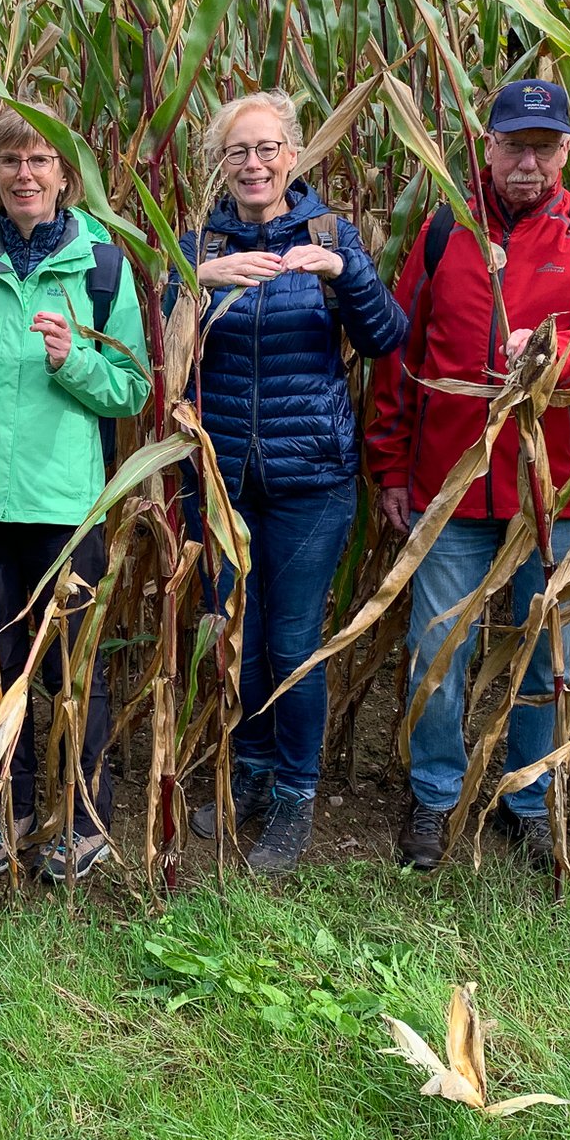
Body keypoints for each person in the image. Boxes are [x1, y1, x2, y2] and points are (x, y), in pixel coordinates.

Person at [366, 80, 570, 872]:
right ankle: (434, 794)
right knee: (438, 649)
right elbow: (402, 353)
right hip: (450, 484)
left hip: (555, 489)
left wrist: (558, 353)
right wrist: (390, 465)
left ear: (567, 152)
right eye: (514, 145)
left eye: (543, 148)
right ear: (488, 146)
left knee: (545, 652)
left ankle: (527, 798)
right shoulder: (444, 230)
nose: (528, 162)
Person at [176, 91, 407, 874]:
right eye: (238, 151)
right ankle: (250, 767)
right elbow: (157, 351)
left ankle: (295, 794)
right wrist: (195, 278)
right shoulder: (199, 243)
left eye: (267, 149)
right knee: (235, 635)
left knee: (292, 643)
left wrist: (345, 272)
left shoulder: (330, 234)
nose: (254, 164)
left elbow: (386, 337)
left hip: (311, 477)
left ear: (293, 155)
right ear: (221, 163)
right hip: (220, 477)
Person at [0, 103, 151, 882]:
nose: (25, 174)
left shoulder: (102, 268)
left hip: (65, 505)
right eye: (10, 161)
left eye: (40, 160)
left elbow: (132, 389)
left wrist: (72, 362)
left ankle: (84, 820)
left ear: (64, 174)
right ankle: (9, 814)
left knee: (70, 668)